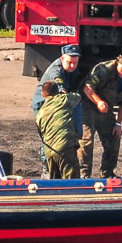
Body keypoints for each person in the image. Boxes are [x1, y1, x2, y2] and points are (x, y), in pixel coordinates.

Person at [82, 51, 122, 178]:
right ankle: (84, 174)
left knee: (114, 138)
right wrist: (98, 101)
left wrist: (118, 123)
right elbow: (87, 88)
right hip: (88, 106)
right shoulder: (104, 69)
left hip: (106, 110)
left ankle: (108, 173)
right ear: (118, 62)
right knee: (86, 140)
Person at [31, 45, 85, 177]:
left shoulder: (71, 68)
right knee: (50, 136)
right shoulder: (56, 71)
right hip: (43, 104)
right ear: (62, 58)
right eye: (69, 62)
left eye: (75, 63)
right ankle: (46, 167)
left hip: (55, 101)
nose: (72, 66)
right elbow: (63, 94)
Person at [36, 81, 82, 179]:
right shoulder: (64, 100)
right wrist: (64, 92)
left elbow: (42, 136)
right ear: (57, 91)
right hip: (66, 147)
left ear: (42, 94)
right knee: (71, 182)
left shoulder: (40, 113)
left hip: (50, 152)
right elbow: (78, 96)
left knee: (55, 184)